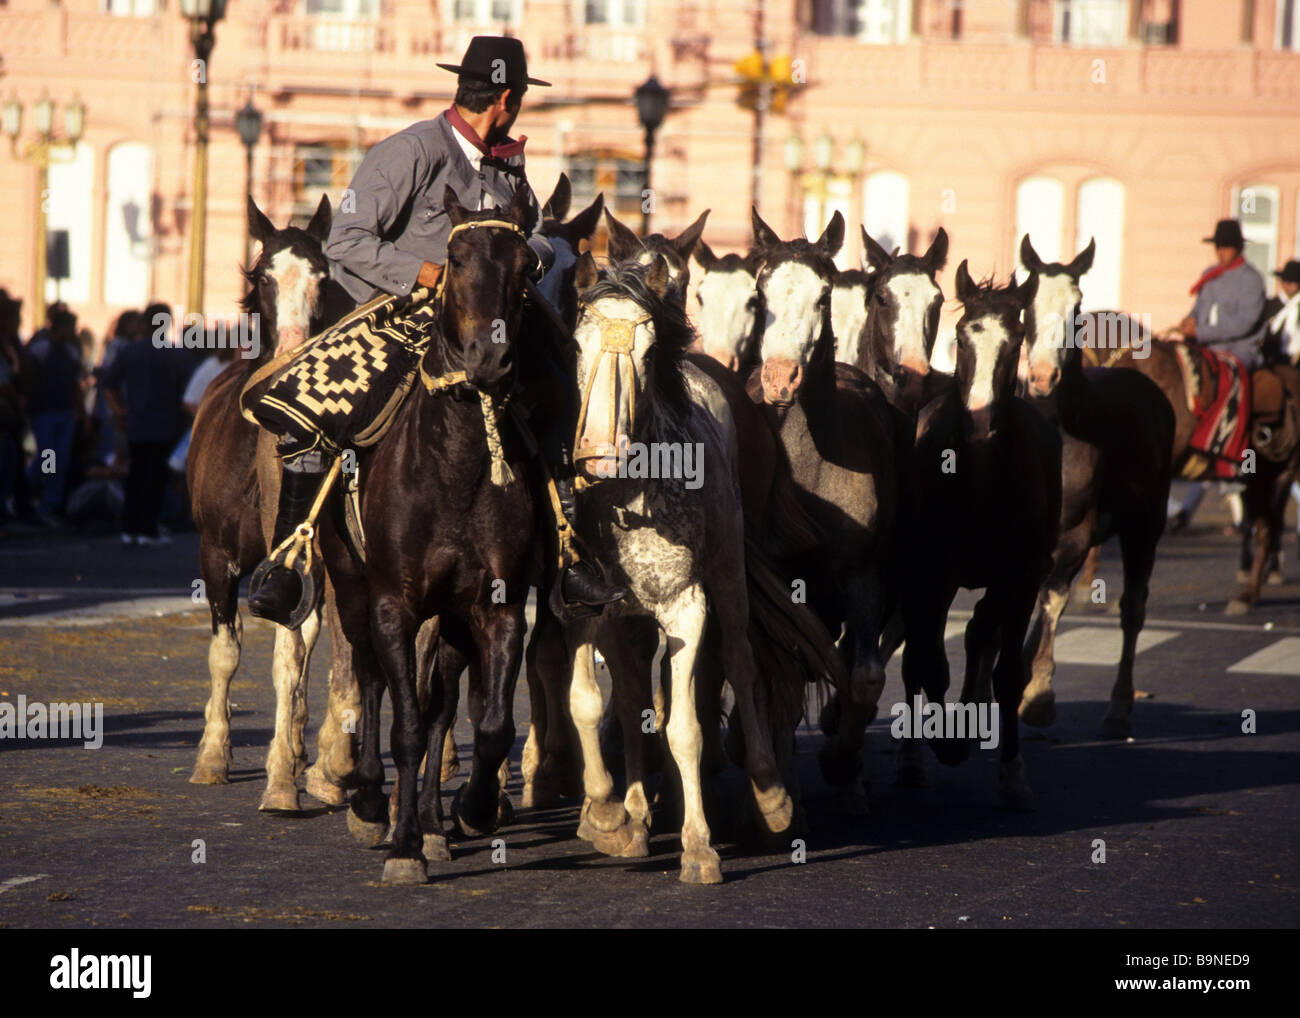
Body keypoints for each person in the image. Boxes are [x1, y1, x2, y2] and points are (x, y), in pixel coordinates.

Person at [247, 35, 626, 626]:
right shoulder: (408, 152)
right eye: (520, 95)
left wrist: (536, 253)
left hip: (490, 322)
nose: (518, 105)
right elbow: (345, 241)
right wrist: (425, 273)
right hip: (397, 319)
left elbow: (531, 234)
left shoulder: (507, 165)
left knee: (564, 382)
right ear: (506, 97)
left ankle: (571, 555)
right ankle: (287, 561)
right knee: (315, 402)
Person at [1163, 219, 1268, 535]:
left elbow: (1244, 324)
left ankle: (1227, 446)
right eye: (1218, 247)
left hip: (1239, 351)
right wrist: (1187, 323)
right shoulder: (1210, 276)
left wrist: (1203, 331)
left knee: (1229, 379)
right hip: (1206, 347)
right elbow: (1198, 310)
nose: (1221, 252)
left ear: (1237, 249)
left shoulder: (1252, 281)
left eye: (1226, 247)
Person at [100, 302, 187, 545]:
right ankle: (148, 529)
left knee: (136, 476)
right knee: (156, 479)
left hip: (136, 424)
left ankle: (130, 528)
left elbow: (108, 384)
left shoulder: (130, 351)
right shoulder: (174, 353)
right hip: (165, 424)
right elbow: (184, 392)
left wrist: (120, 411)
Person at [21, 303, 84, 523]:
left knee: (60, 458)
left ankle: (50, 501)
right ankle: (29, 492)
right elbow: (28, 377)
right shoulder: (42, 349)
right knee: (48, 456)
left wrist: (80, 411)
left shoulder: (71, 351)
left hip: (64, 411)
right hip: (45, 411)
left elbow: (76, 384)